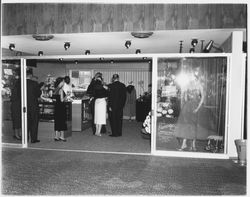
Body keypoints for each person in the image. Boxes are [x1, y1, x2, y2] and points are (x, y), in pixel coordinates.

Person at [174, 66, 205, 151]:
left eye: (194, 78)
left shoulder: (199, 86)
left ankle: (193, 145)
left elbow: (202, 98)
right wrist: (186, 101)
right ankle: (184, 144)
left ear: (196, 78)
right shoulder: (188, 85)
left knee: (194, 126)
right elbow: (184, 95)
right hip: (188, 107)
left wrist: (198, 108)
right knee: (186, 125)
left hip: (196, 107)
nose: (192, 79)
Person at [26, 68, 41, 143]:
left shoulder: (21, 83)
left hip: (24, 106)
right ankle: (33, 139)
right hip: (34, 105)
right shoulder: (34, 83)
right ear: (31, 76)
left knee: (26, 122)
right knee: (34, 122)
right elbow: (38, 94)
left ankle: (25, 138)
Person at [53, 77, 68, 142]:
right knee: (62, 121)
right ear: (60, 82)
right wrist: (67, 95)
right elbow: (62, 100)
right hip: (61, 107)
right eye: (63, 81)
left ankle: (56, 136)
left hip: (56, 107)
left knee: (57, 121)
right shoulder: (61, 90)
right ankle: (62, 136)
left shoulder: (55, 89)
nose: (64, 83)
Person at [10, 74, 22, 140]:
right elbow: (13, 98)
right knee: (17, 120)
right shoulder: (16, 89)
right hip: (16, 106)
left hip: (16, 105)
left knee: (17, 120)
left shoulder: (14, 88)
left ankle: (17, 134)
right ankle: (17, 134)